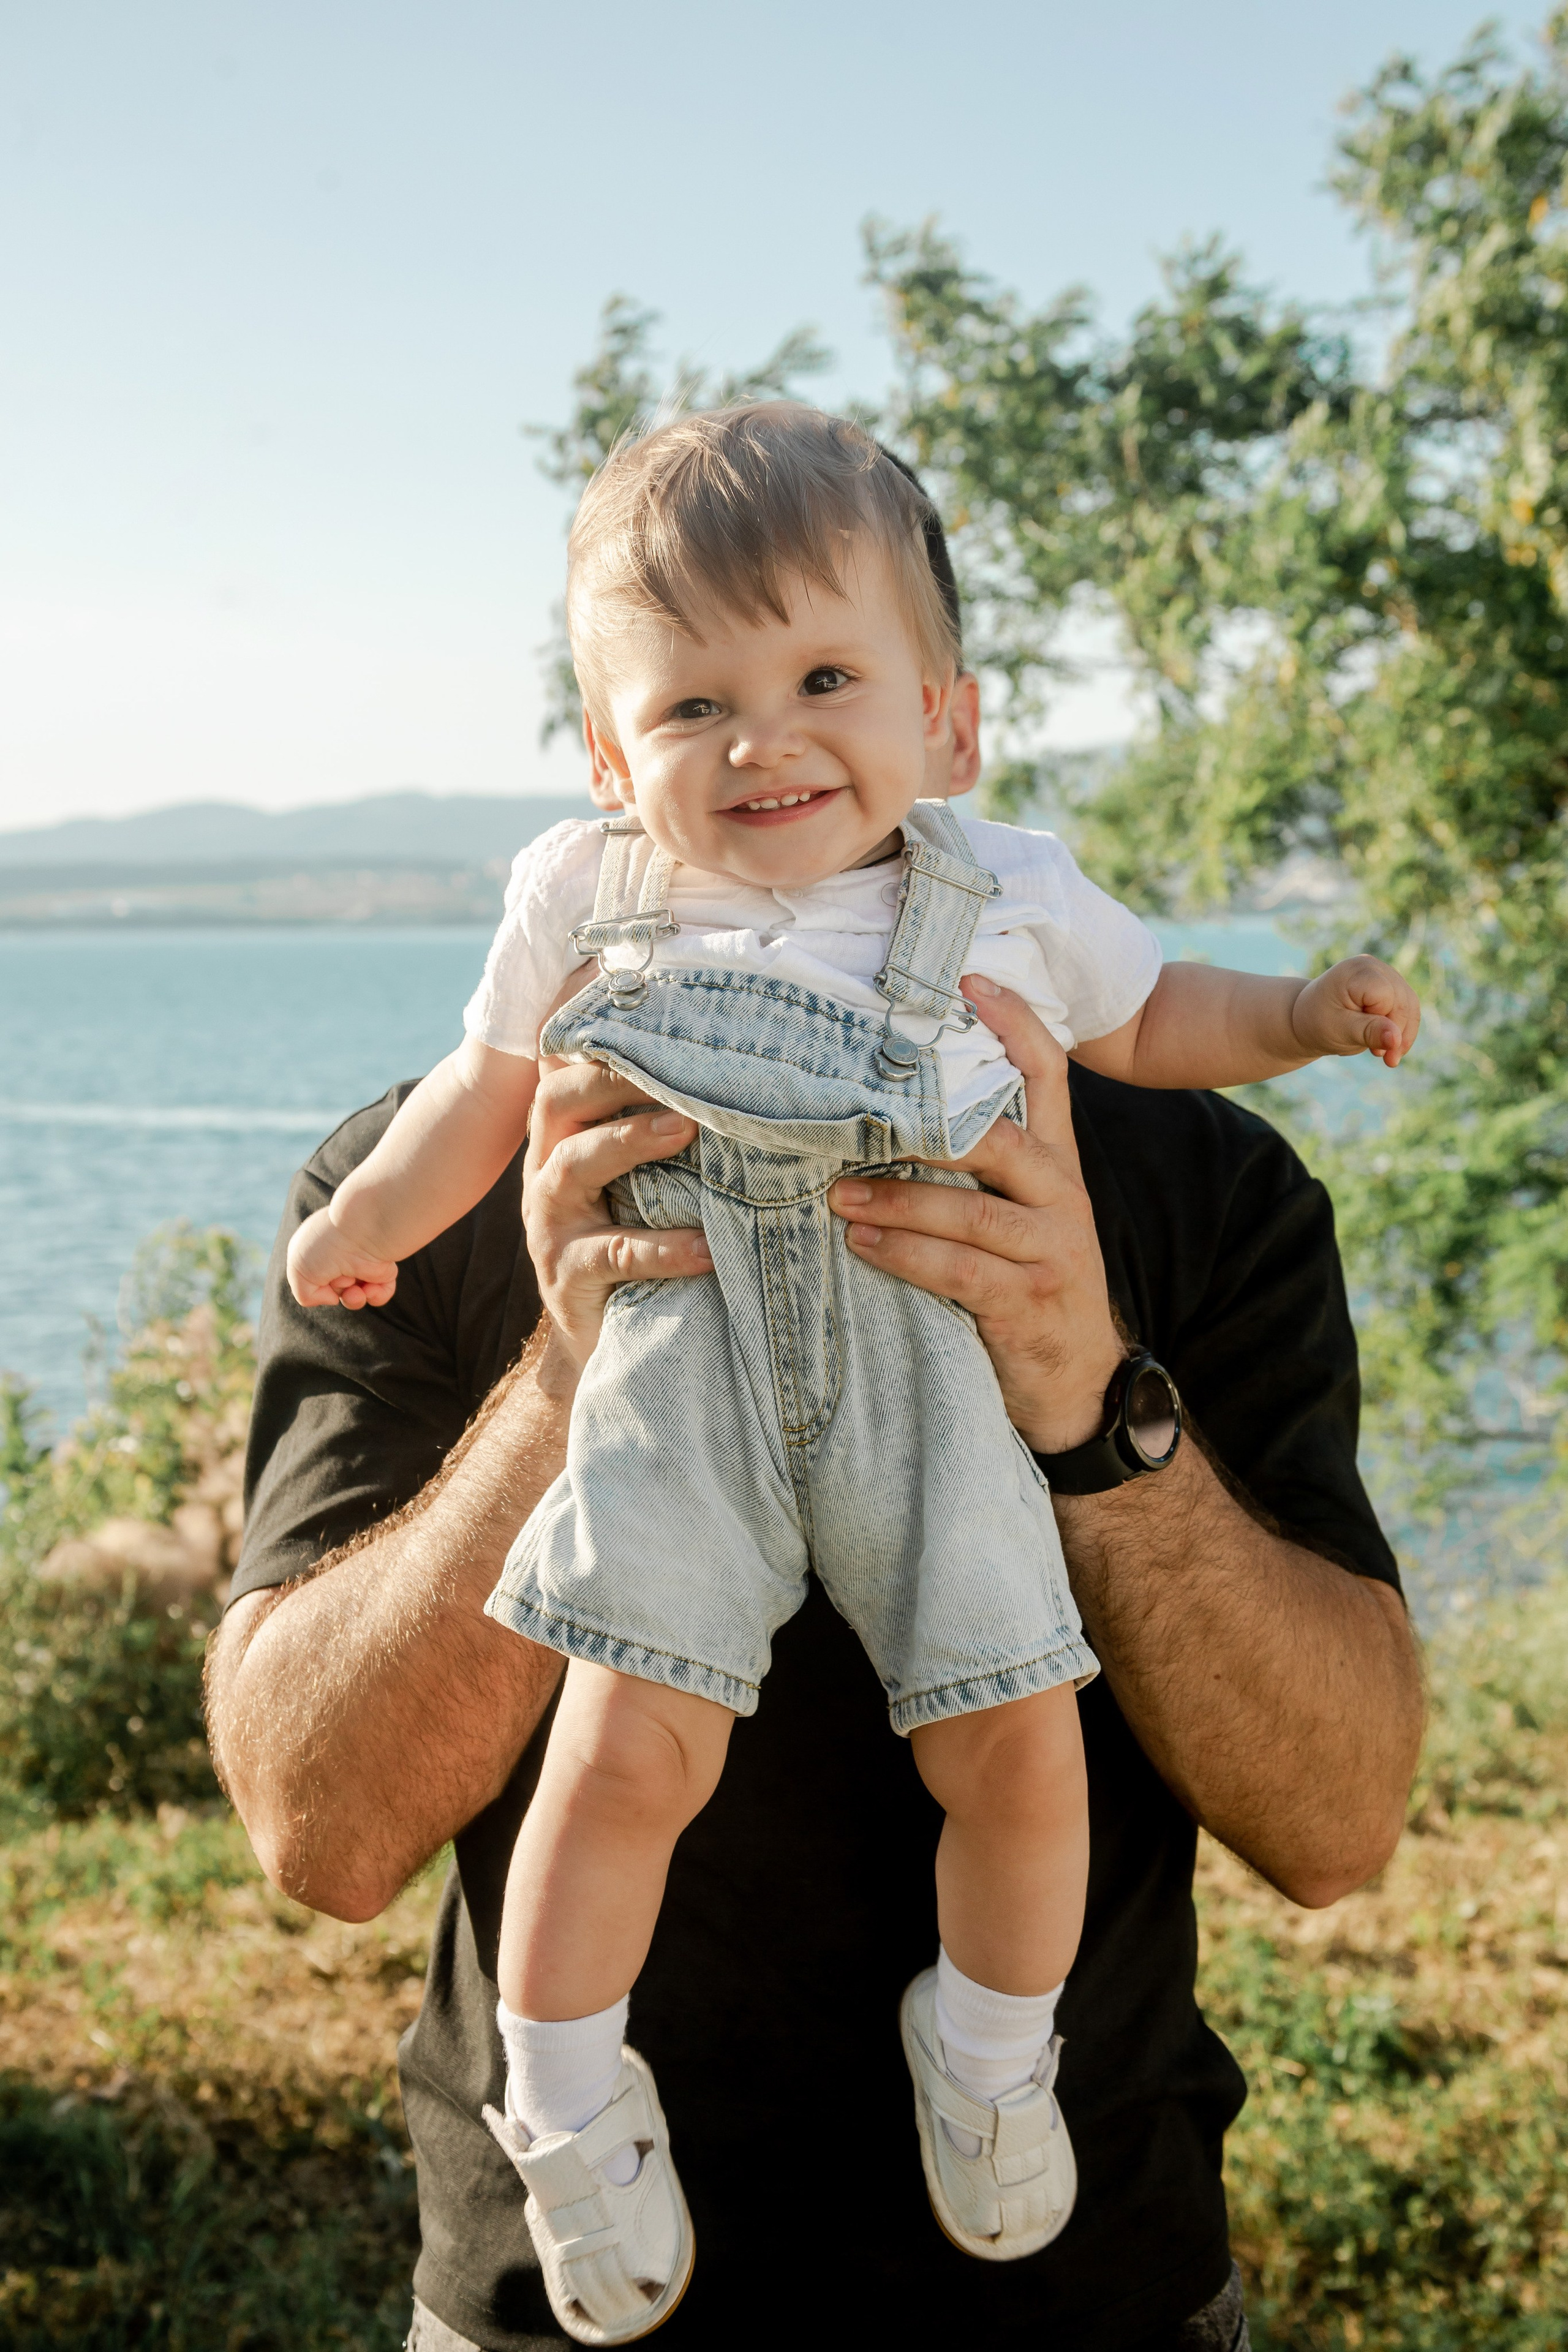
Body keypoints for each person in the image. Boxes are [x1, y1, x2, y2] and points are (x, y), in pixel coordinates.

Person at [205, 433, 1424, 2351]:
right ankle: (572, 2102)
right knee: (627, 1755)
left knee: (1011, 1741)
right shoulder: (545, 1010)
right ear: (613, 764)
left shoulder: (1154, 1112)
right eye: (695, 702)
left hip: (1085, 2300)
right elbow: (319, 1835)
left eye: (825, 681)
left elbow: (1345, 1827)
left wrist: (1115, 1338)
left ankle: (993, 2055)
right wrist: (535, 1345)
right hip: (549, 2309)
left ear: (947, 719)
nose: (763, 738)